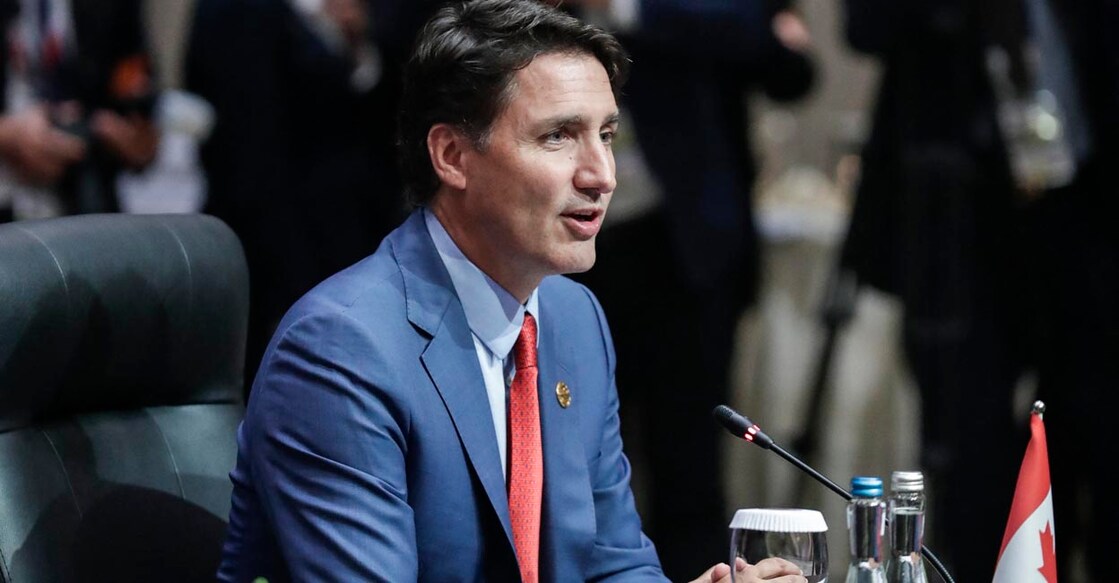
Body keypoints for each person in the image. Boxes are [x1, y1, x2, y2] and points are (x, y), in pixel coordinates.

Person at [215, 1, 809, 581]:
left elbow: (612, 563)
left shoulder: (574, 316)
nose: (602, 174)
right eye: (557, 136)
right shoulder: (341, 349)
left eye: (606, 134)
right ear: (452, 156)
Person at [558, 1, 815, 578]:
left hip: (681, 248)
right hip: (558, 253)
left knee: (692, 468)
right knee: (574, 472)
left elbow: (783, 59)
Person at [185, 0, 441, 398]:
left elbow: (383, 113)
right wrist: (293, 284)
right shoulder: (238, 12)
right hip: (282, 257)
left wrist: (358, 46)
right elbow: (251, 157)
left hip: (362, 238)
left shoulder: (370, 14)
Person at [0, 0, 160, 222]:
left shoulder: (110, 8)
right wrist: (7, 134)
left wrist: (132, 138)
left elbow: (143, 119)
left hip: (87, 201)